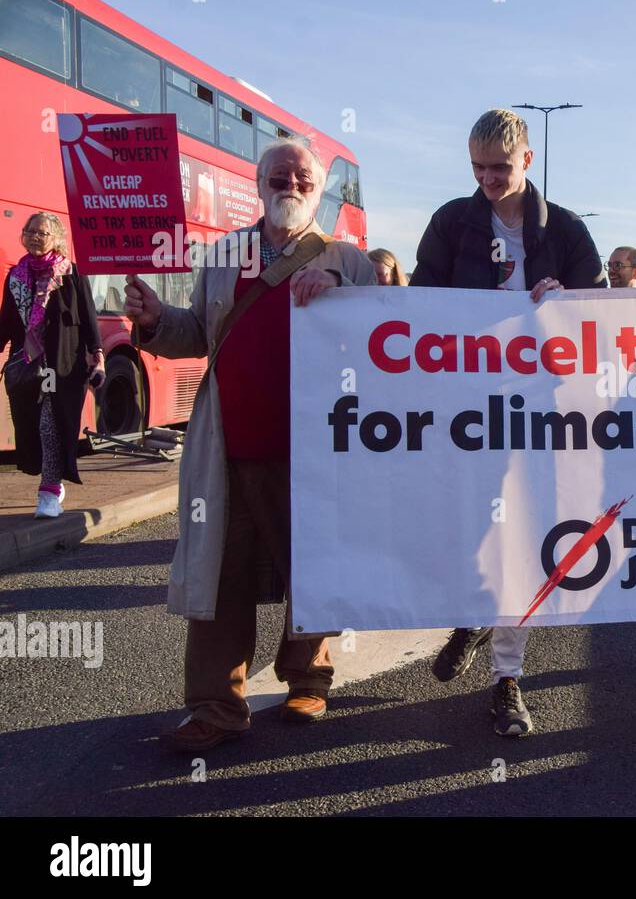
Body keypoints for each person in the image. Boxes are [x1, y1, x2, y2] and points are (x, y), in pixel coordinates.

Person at [124, 139, 377, 752]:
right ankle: (215, 705)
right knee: (220, 577)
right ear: (260, 182)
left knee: (311, 568)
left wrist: (336, 279)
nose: (291, 183)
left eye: (303, 177)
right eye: (279, 175)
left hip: (313, 449)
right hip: (228, 447)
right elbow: (198, 334)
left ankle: (308, 676)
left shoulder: (349, 257)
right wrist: (157, 319)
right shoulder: (222, 254)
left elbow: (379, 329)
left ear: (320, 190)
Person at [410, 108, 605, 737]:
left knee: (521, 534)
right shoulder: (451, 222)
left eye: (499, 166)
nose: (488, 178)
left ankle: (507, 677)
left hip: (541, 411)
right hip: (468, 407)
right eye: (477, 166)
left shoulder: (567, 230)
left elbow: (602, 315)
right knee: (470, 527)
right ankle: (474, 614)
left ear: (527, 160)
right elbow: (418, 303)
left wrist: (566, 305)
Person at [0, 213, 105, 518]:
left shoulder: (71, 274)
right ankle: (51, 481)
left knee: (51, 425)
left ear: (56, 237)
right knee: (31, 427)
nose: (34, 236)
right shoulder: (16, 276)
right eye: (29, 230)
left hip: (62, 366)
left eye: (42, 233)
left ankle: (48, 493)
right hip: (26, 365)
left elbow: (88, 319)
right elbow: (7, 322)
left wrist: (97, 358)